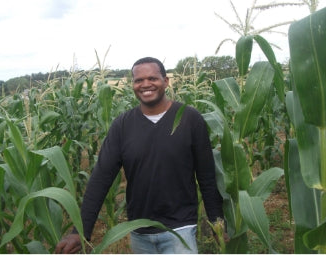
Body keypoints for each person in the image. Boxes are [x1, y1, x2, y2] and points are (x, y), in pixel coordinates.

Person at [55, 57, 224, 254]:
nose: (145, 84)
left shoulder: (189, 118)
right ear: (133, 85)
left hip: (180, 229)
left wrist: (216, 220)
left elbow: (206, 176)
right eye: (138, 80)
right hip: (139, 231)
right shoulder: (123, 125)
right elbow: (101, 178)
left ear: (166, 81)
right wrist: (81, 230)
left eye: (153, 78)